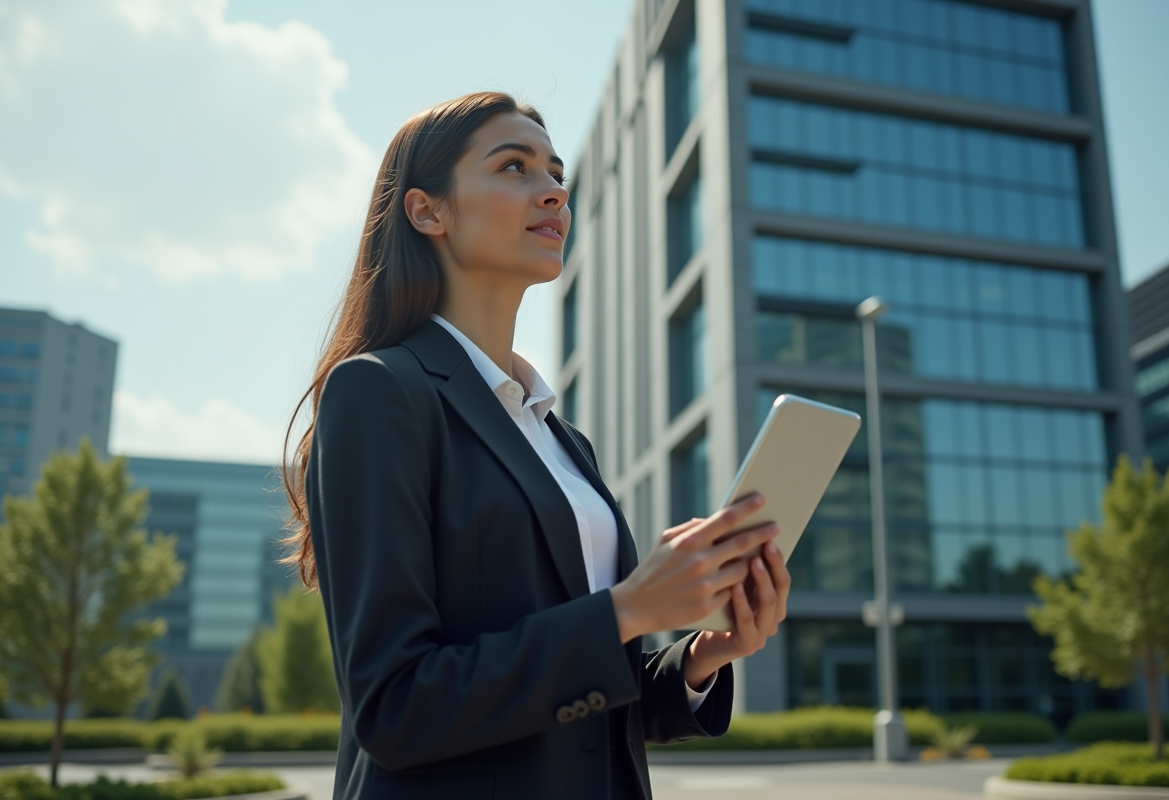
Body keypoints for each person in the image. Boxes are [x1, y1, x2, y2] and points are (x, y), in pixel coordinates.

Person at [280, 91, 791, 800]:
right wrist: (628, 610)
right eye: (515, 167)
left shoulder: (559, 436)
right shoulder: (378, 392)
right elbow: (394, 707)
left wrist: (703, 657)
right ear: (427, 210)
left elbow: (590, 700)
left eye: (556, 175)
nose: (552, 192)